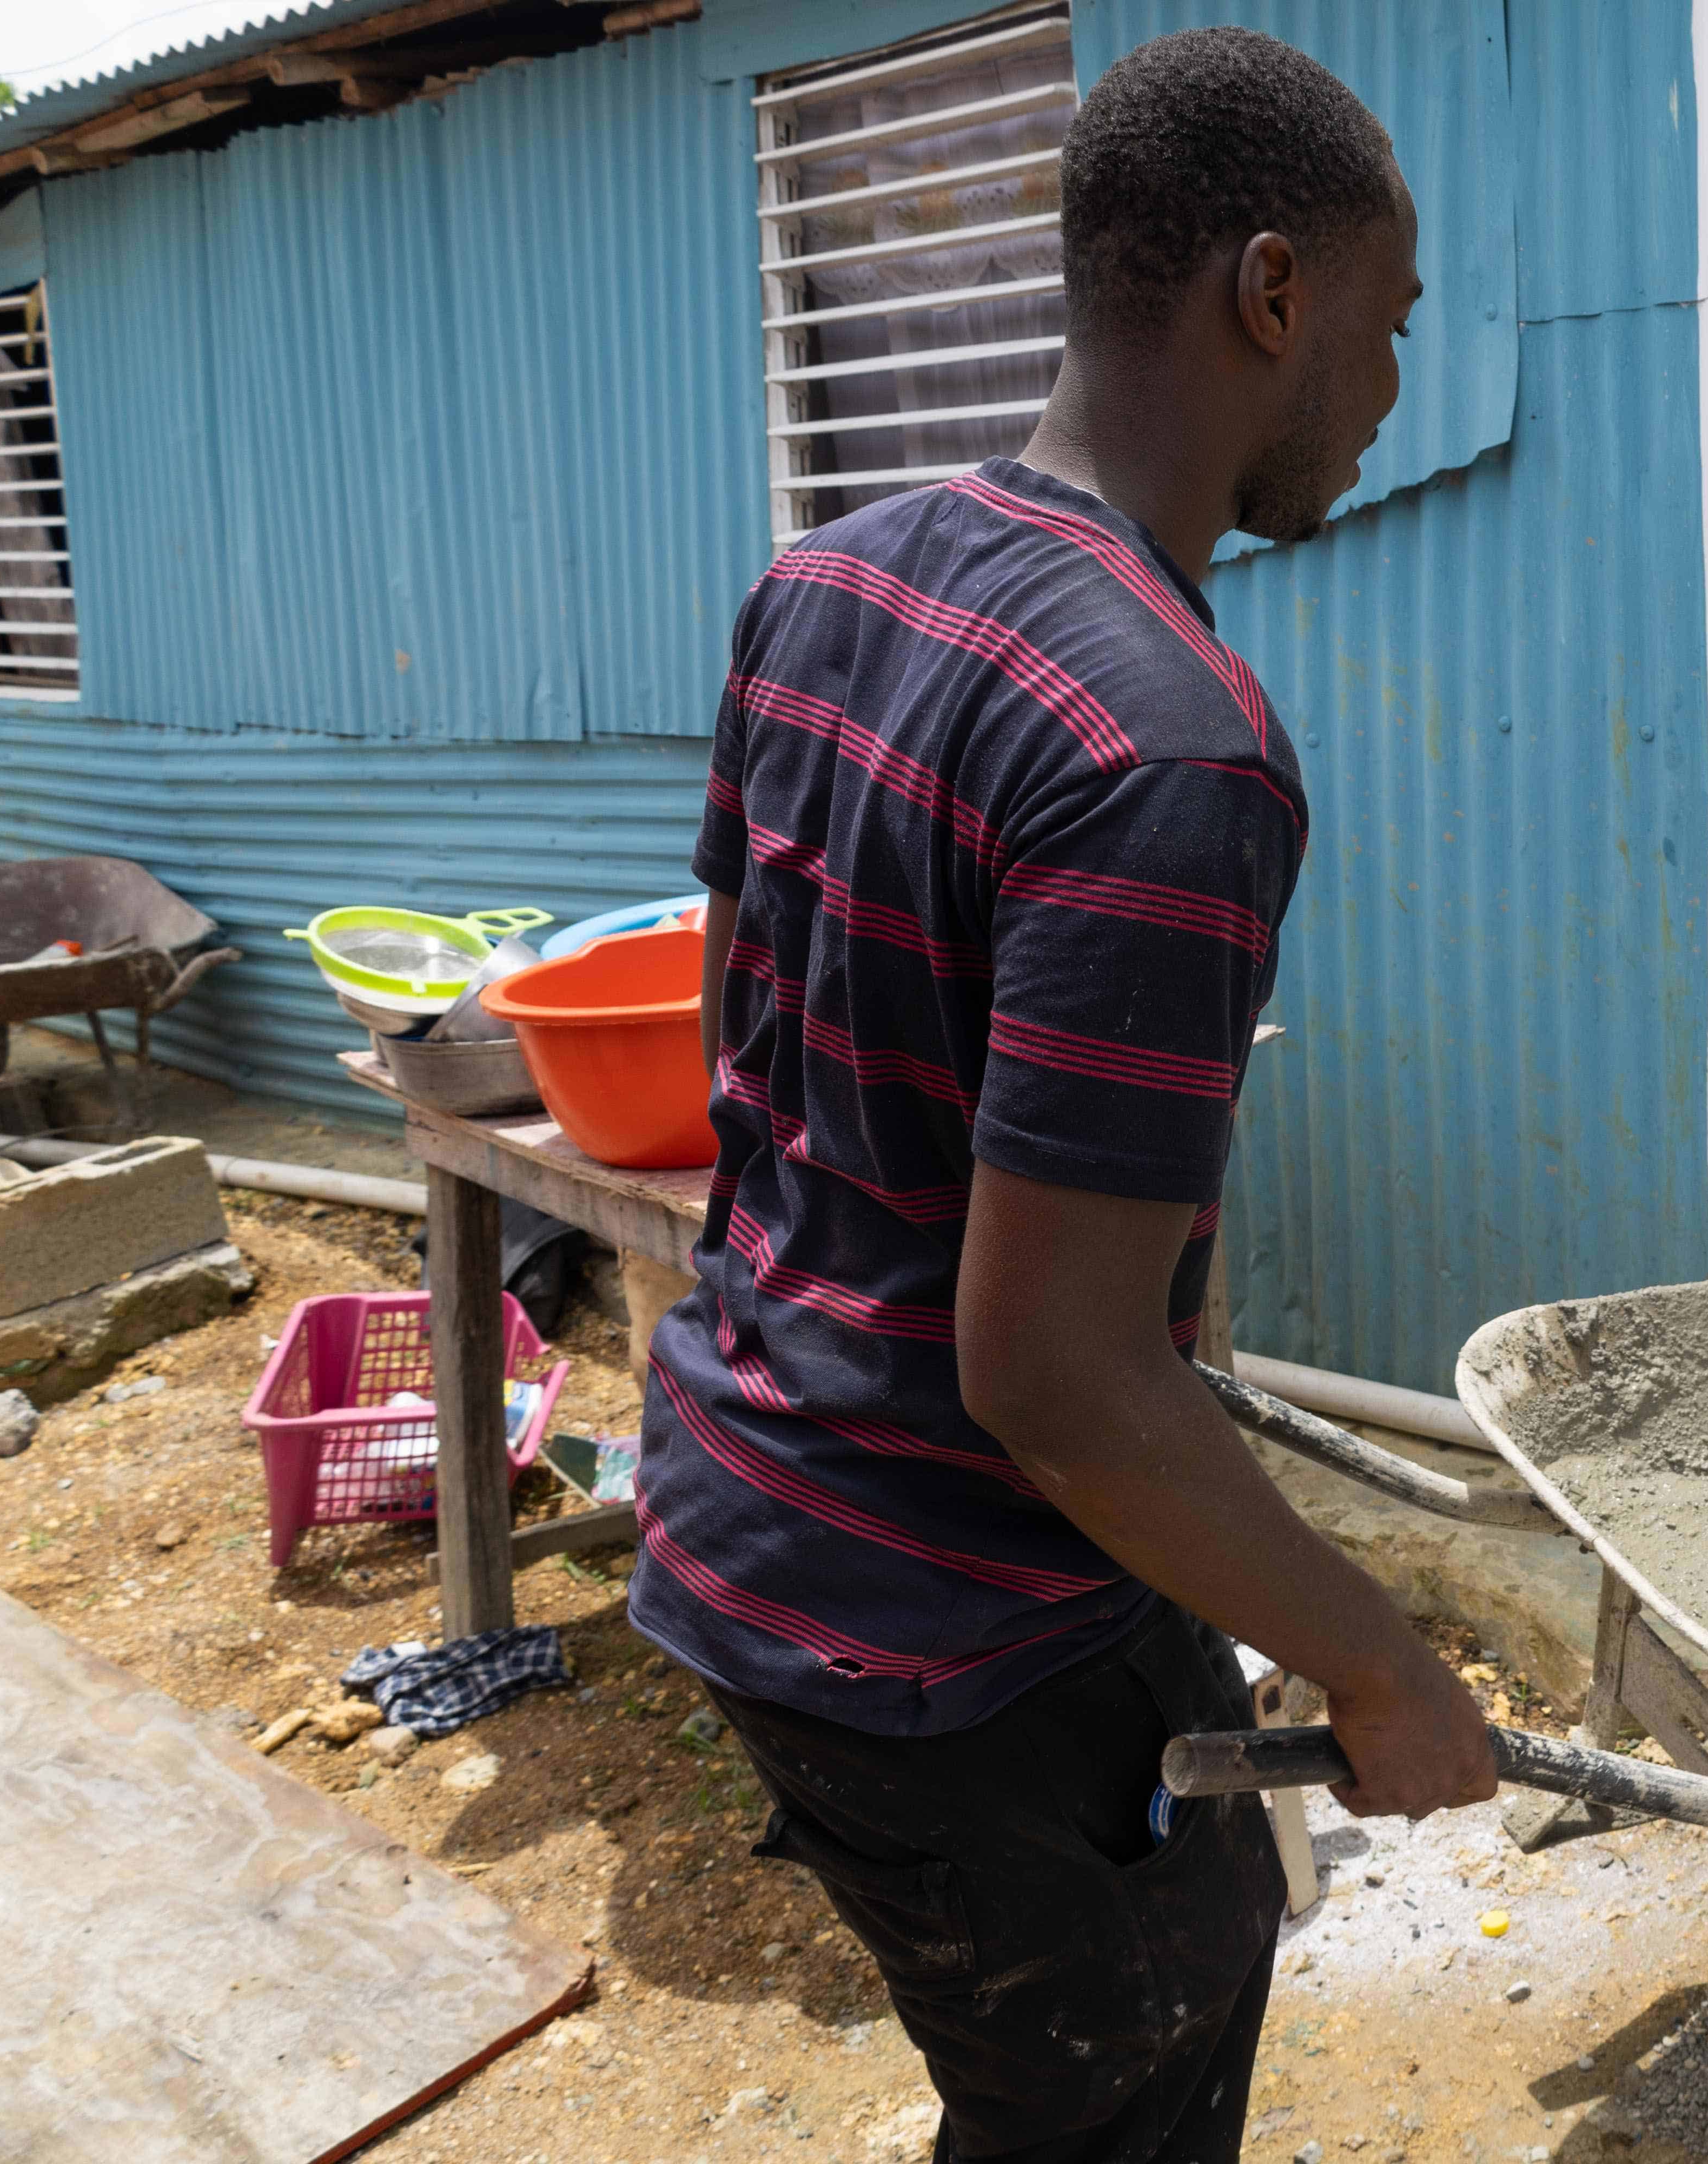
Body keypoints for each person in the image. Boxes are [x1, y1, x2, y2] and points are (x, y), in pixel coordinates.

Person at [630, 30, 1494, 2162]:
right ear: (1272, 295)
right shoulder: (1167, 749)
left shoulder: (820, 589)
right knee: (1127, 2077)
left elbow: (773, 1071)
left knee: (1052, 2076)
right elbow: (1059, 1379)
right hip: (958, 1622)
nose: (1389, 394)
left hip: (743, 1515)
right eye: (1386, 330)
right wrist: (1381, 1667)